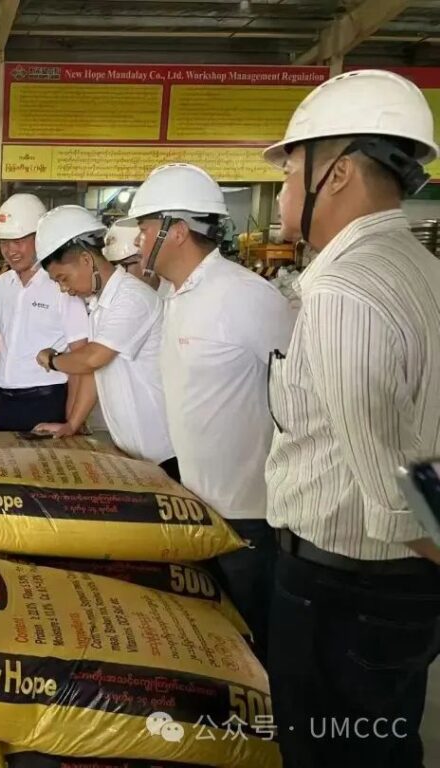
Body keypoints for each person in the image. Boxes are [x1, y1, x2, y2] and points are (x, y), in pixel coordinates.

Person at [262, 69, 440, 767]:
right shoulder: (420, 267)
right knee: (386, 747)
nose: (282, 192)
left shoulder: (343, 291)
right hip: (395, 592)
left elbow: (395, 498)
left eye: (288, 172)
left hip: (344, 594)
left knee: (330, 754)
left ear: (335, 174)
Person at [127, 162, 295, 662]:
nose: (137, 241)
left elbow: (303, 393)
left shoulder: (244, 296)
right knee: (217, 644)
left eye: (145, 228)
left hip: (249, 516)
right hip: (198, 505)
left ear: (177, 231)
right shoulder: (175, 296)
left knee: (258, 642)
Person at [32, 205, 177, 480]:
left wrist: (52, 360)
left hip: (162, 451)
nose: (64, 288)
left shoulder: (131, 298)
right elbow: (93, 371)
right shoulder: (100, 305)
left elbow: (92, 359)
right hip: (131, 449)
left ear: (87, 260)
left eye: (63, 278)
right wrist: (72, 424)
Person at [0, 194, 91, 433]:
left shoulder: (61, 285)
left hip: (46, 400)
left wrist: (72, 419)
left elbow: (81, 355)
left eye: (18, 241)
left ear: (40, 238)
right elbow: (0, 340)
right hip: (3, 400)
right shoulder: (2, 285)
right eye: (4, 242)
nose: (10, 250)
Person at [103, 220, 173, 298]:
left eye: (122, 266)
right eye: (113, 267)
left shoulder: (175, 295)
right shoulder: (113, 296)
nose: (116, 273)